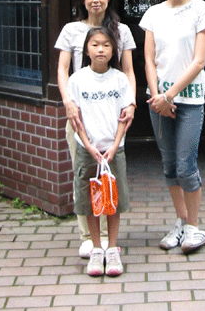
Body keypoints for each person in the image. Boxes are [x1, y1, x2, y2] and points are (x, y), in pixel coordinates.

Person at [139, 0, 205, 254]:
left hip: (190, 100)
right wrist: (156, 96)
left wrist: (169, 96)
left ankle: (194, 227)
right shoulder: (153, 14)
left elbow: (199, 61)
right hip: (159, 101)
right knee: (170, 166)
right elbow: (149, 59)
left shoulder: (202, 10)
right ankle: (181, 222)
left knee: (186, 166)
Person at [55, 0, 136, 258]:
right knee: (84, 174)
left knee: (110, 175)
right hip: (79, 115)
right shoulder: (71, 30)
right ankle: (88, 236)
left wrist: (131, 103)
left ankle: (106, 238)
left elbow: (128, 70)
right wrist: (68, 103)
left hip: (110, 115)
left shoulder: (122, 31)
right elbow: (62, 69)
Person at [68, 26, 135, 276]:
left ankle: (112, 249)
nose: (100, 50)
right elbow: (76, 119)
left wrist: (115, 145)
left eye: (106, 45)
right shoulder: (77, 80)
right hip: (88, 150)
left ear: (113, 50)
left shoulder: (120, 79)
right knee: (90, 200)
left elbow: (125, 115)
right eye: (95, 44)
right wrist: (88, 146)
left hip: (113, 150)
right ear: (86, 50)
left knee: (113, 199)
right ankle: (96, 249)